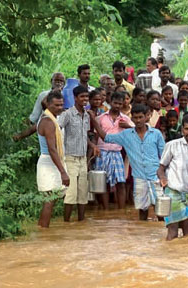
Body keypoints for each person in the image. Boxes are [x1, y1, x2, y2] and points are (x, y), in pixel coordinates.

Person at [94, 103, 165, 221]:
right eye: (135, 118)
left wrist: (164, 175)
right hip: (139, 177)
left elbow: (164, 155)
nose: (138, 120)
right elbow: (106, 137)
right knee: (142, 209)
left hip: (155, 176)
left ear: (146, 117)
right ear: (131, 118)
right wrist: (94, 121)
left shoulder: (156, 134)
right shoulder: (126, 135)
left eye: (140, 117)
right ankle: (142, 234)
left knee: (160, 209)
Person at [157, 114, 188, 241]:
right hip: (173, 192)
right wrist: (163, 178)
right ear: (182, 130)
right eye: (186, 129)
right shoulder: (172, 145)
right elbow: (161, 167)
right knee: (172, 232)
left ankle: (185, 260)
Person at [58, 86, 100, 222]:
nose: (85, 100)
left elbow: (85, 135)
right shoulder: (68, 114)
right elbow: (56, 129)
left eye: (86, 97)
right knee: (71, 192)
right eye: (82, 97)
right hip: (70, 157)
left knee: (83, 192)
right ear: (75, 98)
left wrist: (92, 145)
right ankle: (66, 223)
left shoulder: (87, 115)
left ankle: (81, 223)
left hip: (82, 158)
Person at [36, 92, 70, 228]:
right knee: (49, 200)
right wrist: (63, 172)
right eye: (56, 105)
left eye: (61, 104)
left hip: (54, 162)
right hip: (49, 163)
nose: (60, 107)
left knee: (53, 199)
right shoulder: (48, 121)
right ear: (48, 105)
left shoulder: (53, 119)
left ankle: (43, 231)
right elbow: (52, 149)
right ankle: (43, 232)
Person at [95, 91, 132, 209]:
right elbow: (96, 136)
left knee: (121, 182)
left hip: (117, 152)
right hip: (102, 152)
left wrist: (128, 126)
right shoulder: (100, 118)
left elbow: (136, 131)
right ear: (110, 102)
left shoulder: (125, 119)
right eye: (115, 103)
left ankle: (121, 211)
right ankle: (106, 210)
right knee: (104, 183)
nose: (117, 106)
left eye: (120, 104)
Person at [13, 72, 65, 141]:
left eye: (61, 81)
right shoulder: (43, 95)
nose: (58, 83)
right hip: (46, 128)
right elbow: (34, 116)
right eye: (56, 80)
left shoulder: (67, 96)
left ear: (64, 83)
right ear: (51, 81)